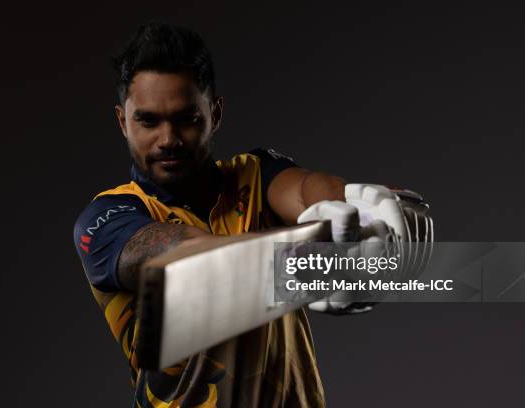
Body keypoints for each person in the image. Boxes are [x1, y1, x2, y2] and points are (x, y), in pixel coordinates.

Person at [73, 21, 363, 407]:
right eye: (148, 121)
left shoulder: (255, 175)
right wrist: (314, 256)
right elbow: (186, 258)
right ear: (123, 122)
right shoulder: (108, 217)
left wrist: (356, 205)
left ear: (216, 113)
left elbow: (308, 189)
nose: (168, 139)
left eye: (186, 118)